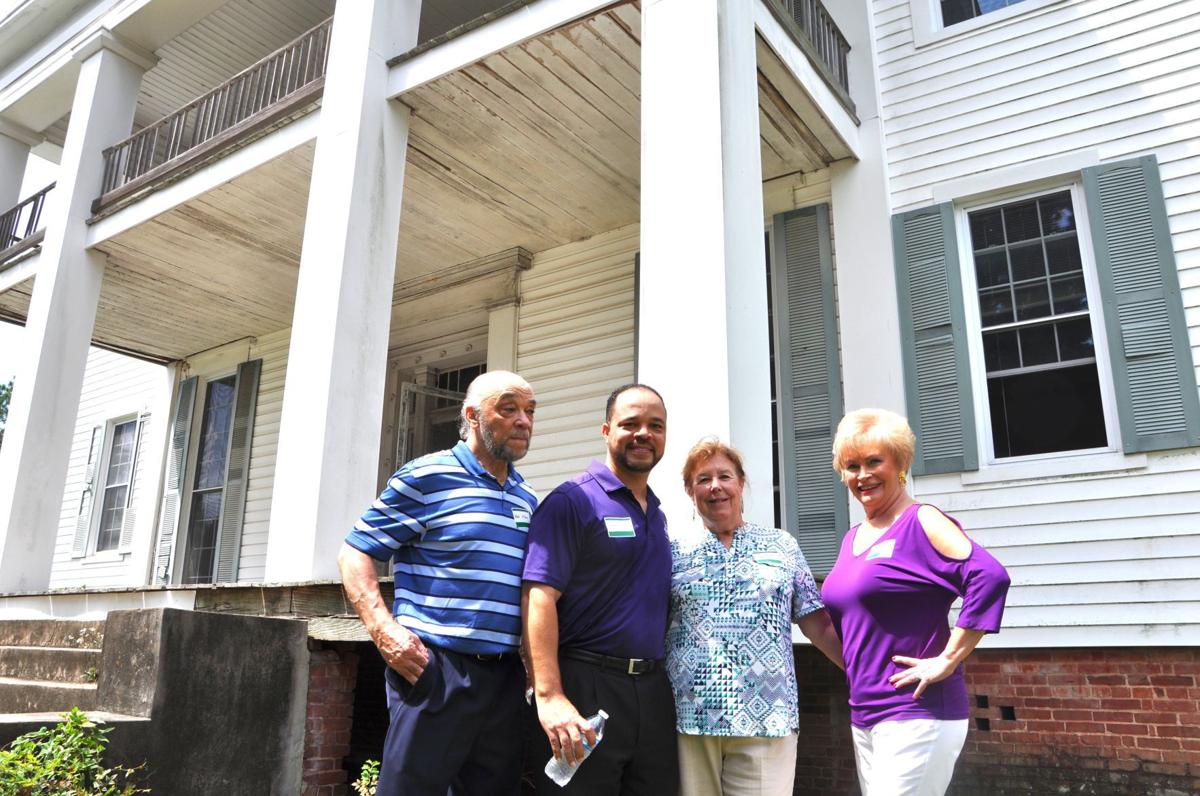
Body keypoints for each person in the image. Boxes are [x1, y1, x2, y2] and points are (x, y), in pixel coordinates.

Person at [337, 370, 538, 796]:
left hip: (503, 678)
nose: (523, 420)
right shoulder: (427, 477)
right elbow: (355, 552)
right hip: (436, 668)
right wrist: (383, 630)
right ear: (472, 415)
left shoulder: (526, 497)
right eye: (508, 409)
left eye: (529, 411)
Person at [822, 408, 1011, 796]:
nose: (863, 475)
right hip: (866, 713)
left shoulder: (920, 520)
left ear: (901, 464)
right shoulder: (853, 538)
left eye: (875, 462)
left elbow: (989, 577)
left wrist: (948, 658)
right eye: (852, 465)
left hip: (918, 711)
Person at [522, 383, 678, 795]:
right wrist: (550, 694)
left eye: (655, 425)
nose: (644, 433)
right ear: (606, 430)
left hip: (653, 690)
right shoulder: (572, 502)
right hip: (587, 685)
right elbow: (539, 597)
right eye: (631, 423)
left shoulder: (658, 515)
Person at [666, 437, 845, 796]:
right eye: (703, 479)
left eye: (724, 476)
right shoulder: (672, 552)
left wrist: (865, 672)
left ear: (741, 483)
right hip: (690, 717)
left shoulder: (782, 545)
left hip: (767, 718)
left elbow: (816, 622)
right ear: (690, 490)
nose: (715, 486)